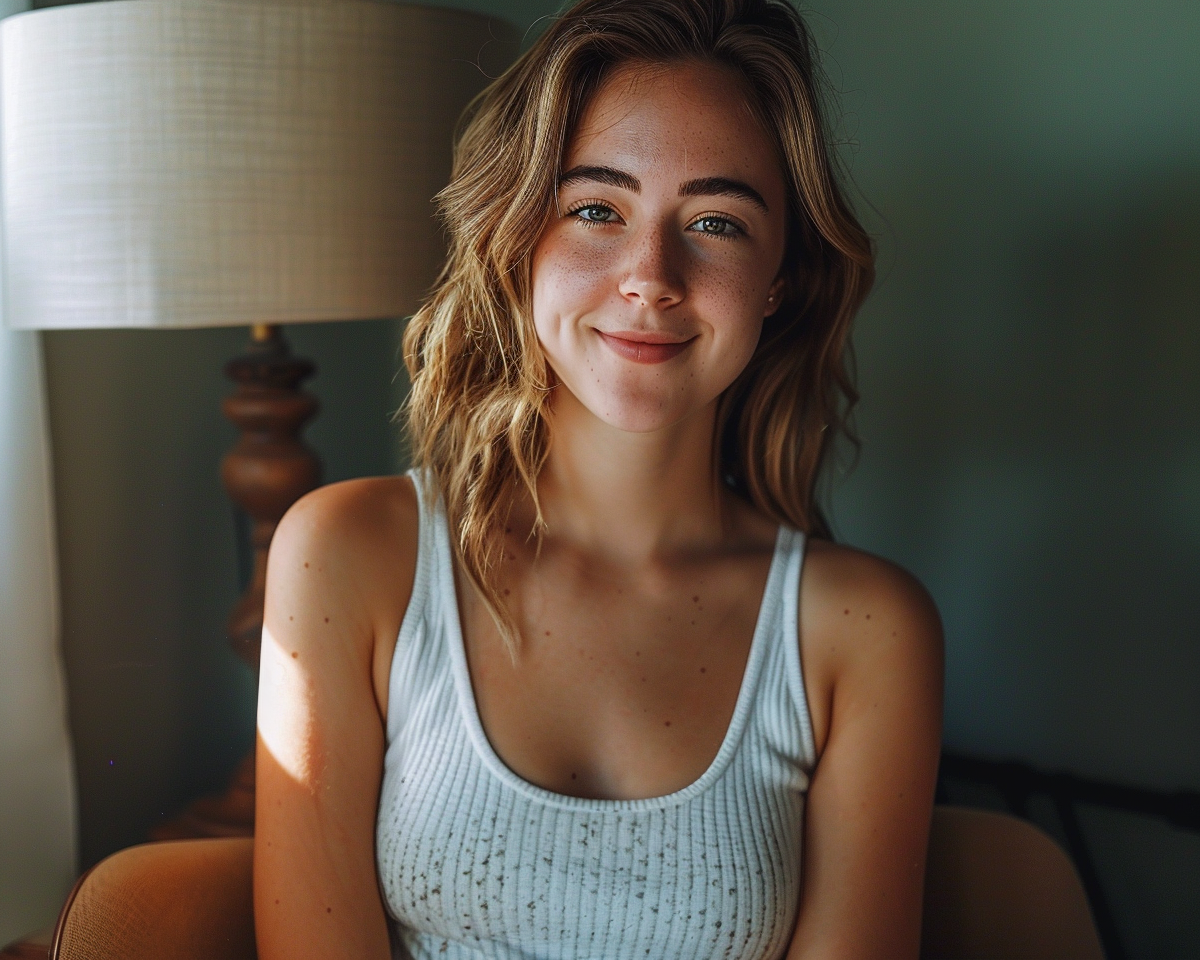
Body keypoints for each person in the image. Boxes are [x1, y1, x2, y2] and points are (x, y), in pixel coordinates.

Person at [254, 0, 943, 957]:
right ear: (518, 238)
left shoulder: (863, 632)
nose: (650, 275)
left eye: (716, 221)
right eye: (595, 209)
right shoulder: (347, 557)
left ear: (781, 275)